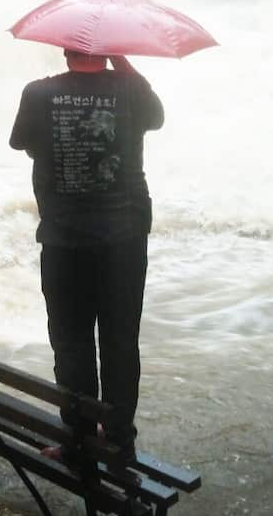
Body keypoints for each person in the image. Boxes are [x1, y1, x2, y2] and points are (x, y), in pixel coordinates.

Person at [9, 49, 164, 462]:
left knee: (71, 344)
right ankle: (118, 441)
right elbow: (157, 118)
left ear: (64, 48)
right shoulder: (130, 88)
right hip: (126, 240)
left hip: (64, 239)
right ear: (109, 52)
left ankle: (78, 441)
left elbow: (19, 142)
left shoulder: (39, 93)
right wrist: (124, 63)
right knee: (120, 343)